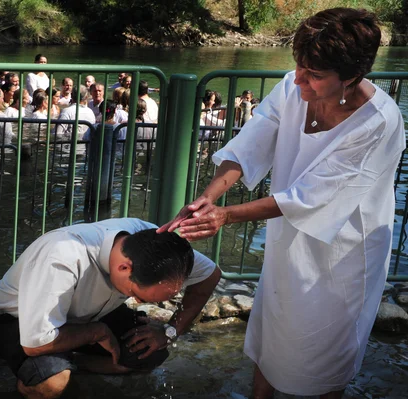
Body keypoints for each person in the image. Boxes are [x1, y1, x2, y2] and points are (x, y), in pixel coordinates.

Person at [159, 8, 405, 399]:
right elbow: (253, 139)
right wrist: (206, 200)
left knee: (325, 350)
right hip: (287, 235)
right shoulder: (294, 85)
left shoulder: (378, 123)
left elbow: (313, 197)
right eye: (299, 66)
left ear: (352, 76)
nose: (300, 79)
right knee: (274, 329)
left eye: (315, 75)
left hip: (342, 253)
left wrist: (224, 216)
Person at [0, 218, 221, 399]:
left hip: (90, 315)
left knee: (150, 352)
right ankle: (44, 378)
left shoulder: (155, 245)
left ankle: (73, 362)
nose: (136, 303)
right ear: (124, 268)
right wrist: (97, 332)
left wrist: (170, 331)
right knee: (51, 382)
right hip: (14, 319)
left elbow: (210, 275)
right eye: (135, 295)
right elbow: (35, 343)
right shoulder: (63, 255)